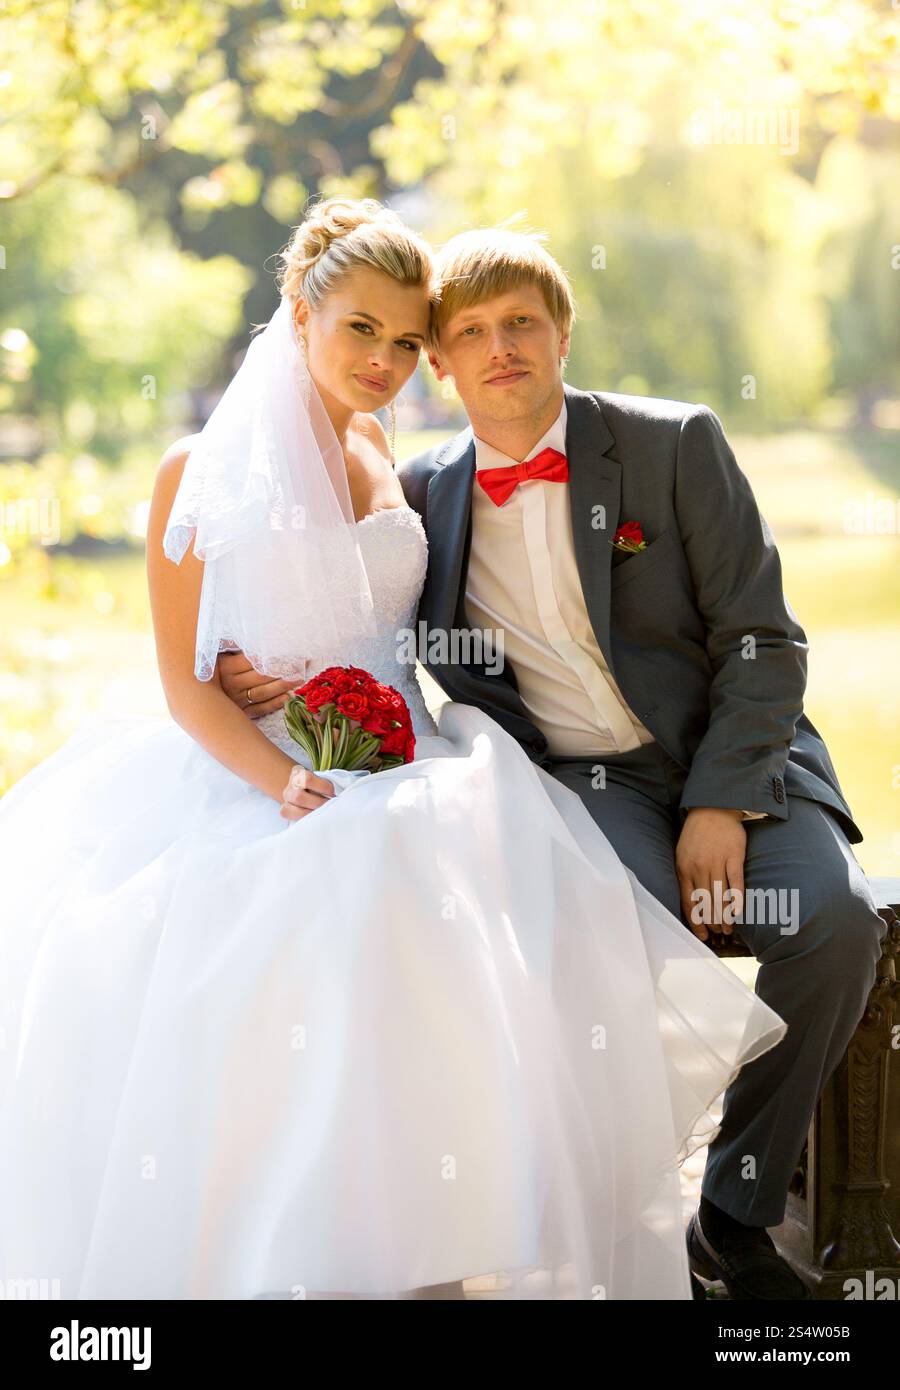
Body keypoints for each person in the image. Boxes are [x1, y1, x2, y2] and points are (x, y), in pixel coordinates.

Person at [0, 198, 788, 1302]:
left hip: (411, 755)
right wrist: (285, 773)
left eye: (410, 341)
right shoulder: (197, 468)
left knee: (504, 893)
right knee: (338, 915)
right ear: (301, 311)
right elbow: (184, 682)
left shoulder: (391, 457)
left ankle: (468, 1245)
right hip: (266, 777)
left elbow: (418, 621)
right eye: (361, 329)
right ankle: (326, 1261)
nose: (385, 360)